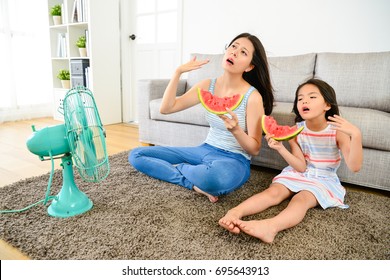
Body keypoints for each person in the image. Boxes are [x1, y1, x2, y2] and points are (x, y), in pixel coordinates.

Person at [129, 33, 274, 203]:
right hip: (203, 150)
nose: (234, 52)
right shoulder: (207, 85)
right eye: (233, 46)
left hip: (234, 159)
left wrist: (236, 131)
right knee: (136, 155)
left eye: (243, 52)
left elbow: (254, 149)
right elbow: (167, 108)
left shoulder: (252, 97)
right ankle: (192, 181)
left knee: (215, 181)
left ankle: (180, 169)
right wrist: (178, 73)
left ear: (249, 66)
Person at [219, 78, 363, 242]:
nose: (304, 101)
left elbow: (355, 166)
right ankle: (235, 212)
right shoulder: (296, 131)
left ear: (327, 105)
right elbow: (300, 167)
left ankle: (270, 227)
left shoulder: (337, 132)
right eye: (300, 98)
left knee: (300, 199)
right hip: (297, 172)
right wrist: (280, 148)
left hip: (323, 179)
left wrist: (356, 135)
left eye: (312, 97)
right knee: (273, 192)